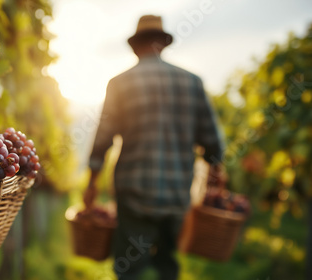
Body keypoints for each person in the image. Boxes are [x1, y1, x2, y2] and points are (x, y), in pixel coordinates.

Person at [84, 15, 225, 280]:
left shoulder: (120, 83)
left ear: (136, 47)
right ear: (163, 44)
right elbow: (211, 140)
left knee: (129, 268)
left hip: (134, 193)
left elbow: (102, 139)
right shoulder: (192, 82)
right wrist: (216, 173)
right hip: (177, 194)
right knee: (167, 264)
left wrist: (91, 182)